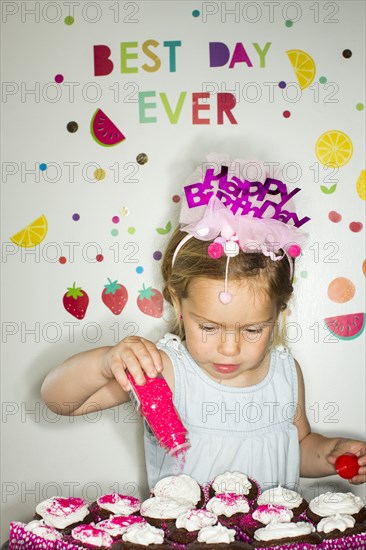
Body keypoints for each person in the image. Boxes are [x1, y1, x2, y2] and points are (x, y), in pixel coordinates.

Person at [41, 156, 366, 493]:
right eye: (209, 328)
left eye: (252, 330)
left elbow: (296, 447)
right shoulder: (165, 372)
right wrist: (104, 362)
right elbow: (59, 400)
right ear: (177, 302)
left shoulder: (285, 373)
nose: (229, 348)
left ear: (280, 311)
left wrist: (329, 452)